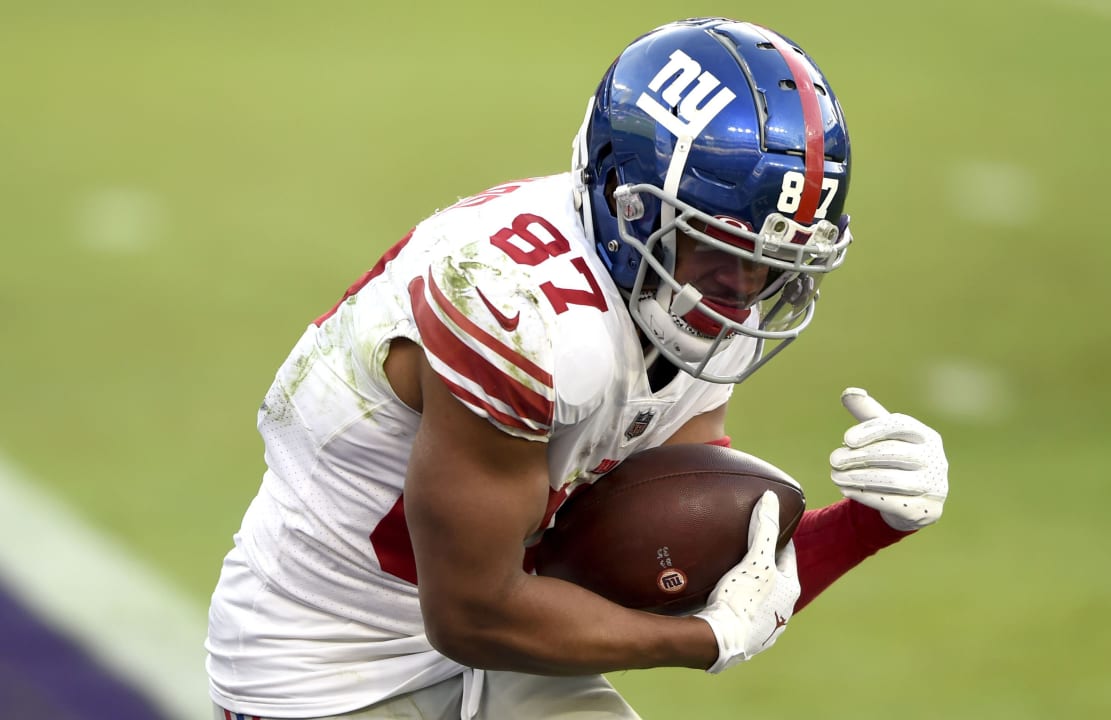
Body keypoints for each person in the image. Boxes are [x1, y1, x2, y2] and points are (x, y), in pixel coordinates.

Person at [206, 16, 950, 719]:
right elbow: (472, 614)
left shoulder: (695, 288)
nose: (743, 292)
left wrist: (869, 523)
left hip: (507, 630)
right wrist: (704, 643)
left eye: (773, 262)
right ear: (626, 201)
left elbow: (686, 558)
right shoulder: (516, 311)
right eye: (721, 250)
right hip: (326, 659)